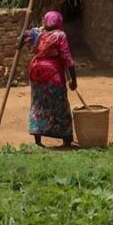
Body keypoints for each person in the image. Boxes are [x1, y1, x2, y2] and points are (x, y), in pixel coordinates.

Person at [24, 10, 77, 148]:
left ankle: (38, 140)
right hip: (52, 74)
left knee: (38, 103)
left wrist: (22, 40)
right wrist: (74, 80)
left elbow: (23, 38)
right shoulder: (60, 35)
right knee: (60, 104)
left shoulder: (37, 33)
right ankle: (66, 138)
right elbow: (67, 58)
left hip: (36, 72)